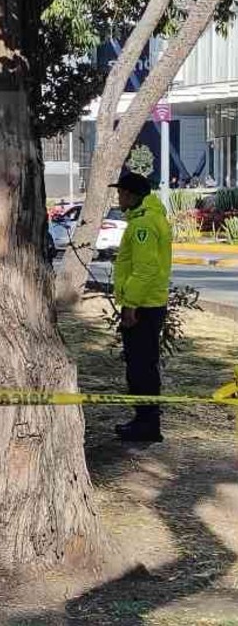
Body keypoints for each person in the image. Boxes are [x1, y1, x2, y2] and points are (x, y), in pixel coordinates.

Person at [110, 172, 172, 442]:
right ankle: (144, 420)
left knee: (141, 368)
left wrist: (130, 305)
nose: (119, 196)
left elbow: (145, 270)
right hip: (147, 304)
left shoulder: (143, 224)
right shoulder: (146, 218)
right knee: (141, 365)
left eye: (122, 192)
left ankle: (147, 424)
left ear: (133, 196)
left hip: (143, 307)